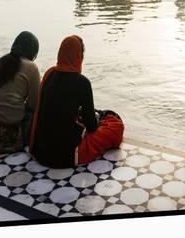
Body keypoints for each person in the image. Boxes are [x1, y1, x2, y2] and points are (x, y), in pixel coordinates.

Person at [29, 35, 124, 168]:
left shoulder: (49, 75)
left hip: (41, 152)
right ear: (79, 56)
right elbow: (91, 127)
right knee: (115, 126)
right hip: (65, 156)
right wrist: (96, 119)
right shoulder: (82, 82)